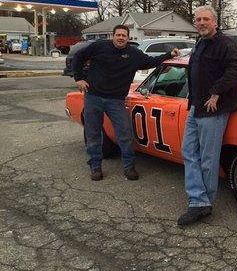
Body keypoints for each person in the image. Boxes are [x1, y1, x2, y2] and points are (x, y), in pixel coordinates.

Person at [72, 25, 180, 181]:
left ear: (128, 38)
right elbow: (78, 57)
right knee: (93, 134)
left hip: (116, 100)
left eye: (124, 35)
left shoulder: (133, 54)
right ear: (113, 35)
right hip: (93, 96)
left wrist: (169, 54)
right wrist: (78, 78)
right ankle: (95, 167)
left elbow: (151, 61)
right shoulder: (99, 46)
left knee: (125, 134)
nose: (121, 37)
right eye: (118, 35)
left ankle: (129, 167)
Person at [177, 5, 237, 226]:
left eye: (206, 19)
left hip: (214, 110)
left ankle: (201, 203)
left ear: (215, 22)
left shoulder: (225, 44)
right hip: (196, 107)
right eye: (198, 20)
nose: (201, 23)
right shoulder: (200, 42)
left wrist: (216, 91)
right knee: (188, 152)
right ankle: (199, 199)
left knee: (208, 158)